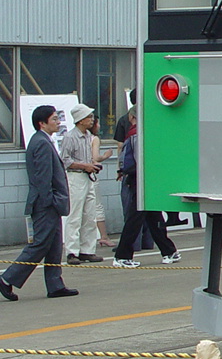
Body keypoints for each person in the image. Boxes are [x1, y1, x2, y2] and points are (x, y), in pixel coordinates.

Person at [0, 105, 79, 300]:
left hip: (50, 204)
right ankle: (7, 279)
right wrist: (51, 201)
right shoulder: (40, 143)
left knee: (55, 245)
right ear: (42, 123)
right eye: (54, 119)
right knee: (40, 244)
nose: (58, 122)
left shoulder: (44, 141)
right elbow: (42, 178)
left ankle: (55, 284)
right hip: (45, 204)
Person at [112, 108, 180, 267]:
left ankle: (167, 251)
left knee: (144, 216)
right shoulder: (144, 133)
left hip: (139, 179)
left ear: (131, 117)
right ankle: (124, 255)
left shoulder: (135, 133)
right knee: (144, 217)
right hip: (145, 179)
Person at [59, 103, 105, 265]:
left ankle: (87, 250)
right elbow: (64, 160)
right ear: (80, 120)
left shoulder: (87, 137)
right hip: (75, 177)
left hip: (88, 176)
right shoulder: (70, 137)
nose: (92, 120)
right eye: (88, 117)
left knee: (89, 215)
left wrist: (92, 166)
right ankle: (72, 251)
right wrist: (85, 166)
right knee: (75, 215)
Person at [90, 116, 114, 248]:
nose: (99, 126)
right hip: (91, 176)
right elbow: (95, 158)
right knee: (97, 206)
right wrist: (105, 155)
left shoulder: (75, 137)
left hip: (75, 177)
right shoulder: (94, 138)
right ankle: (104, 236)